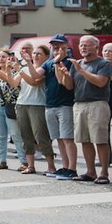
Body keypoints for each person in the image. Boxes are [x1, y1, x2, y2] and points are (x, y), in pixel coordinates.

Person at [58, 35, 112, 184]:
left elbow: (101, 82)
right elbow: (70, 86)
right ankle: (90, 172)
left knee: (100, 140)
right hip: (79, 104)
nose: (83, 48)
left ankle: (104, 172)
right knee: (84, 139)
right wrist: (65, 75)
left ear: (96, 47)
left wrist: (81, 70)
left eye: (87, 45)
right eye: (81, 45)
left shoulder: (103, 63)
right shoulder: (78, 64)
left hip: (97, 103)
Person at [16, 45, 56, 175]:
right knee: (26, 136)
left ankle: (51, 165)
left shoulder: (46, 69)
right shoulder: (25, 68)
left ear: (46, 56)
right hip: (22, 104)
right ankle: (30, 165)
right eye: (34, 53)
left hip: (37, 105)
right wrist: (7, 69)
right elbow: (13, 83)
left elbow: (34, 81)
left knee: (41, 136)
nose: (35, 56)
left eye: (39, 54)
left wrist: (22, 68)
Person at [43, 35, 77, 178]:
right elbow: (35, 76)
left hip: (65, 104)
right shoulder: (48, 63)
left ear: (66, 46)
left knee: (67, 138)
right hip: (50, 104)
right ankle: (64, 166)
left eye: (59, 45)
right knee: (59, 138)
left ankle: (72, 169)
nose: (56, 48)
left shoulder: (70, 62)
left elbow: (66, 84)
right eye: (54, 45)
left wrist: (58, 62)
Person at [0, 48, 25, 170]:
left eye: (4, 56)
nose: (1, 59)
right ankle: (2, 161)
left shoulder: (15, 72)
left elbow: (8, 80)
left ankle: (24, 161)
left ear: (10, 58)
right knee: (0, 136)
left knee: (16, 135)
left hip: (10, 107)